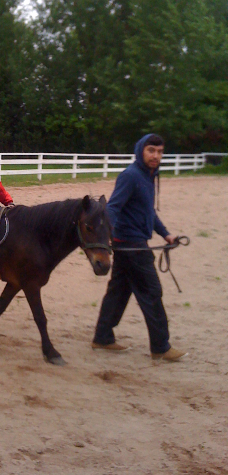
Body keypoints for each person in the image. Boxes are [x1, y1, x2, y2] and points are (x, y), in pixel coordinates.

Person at [92, 133, 187, 362]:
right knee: (152, 293)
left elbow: (148, 212)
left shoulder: (148, 176)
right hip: (132, 246)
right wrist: (104, 238)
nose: (156, 156)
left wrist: (166, 234)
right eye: (151, 151)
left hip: (131, 245)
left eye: (160, 152)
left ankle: (103, 337)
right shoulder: (131, 176)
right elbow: (113, 208)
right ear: (140, 151)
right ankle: (161, 347)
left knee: (118, 292)